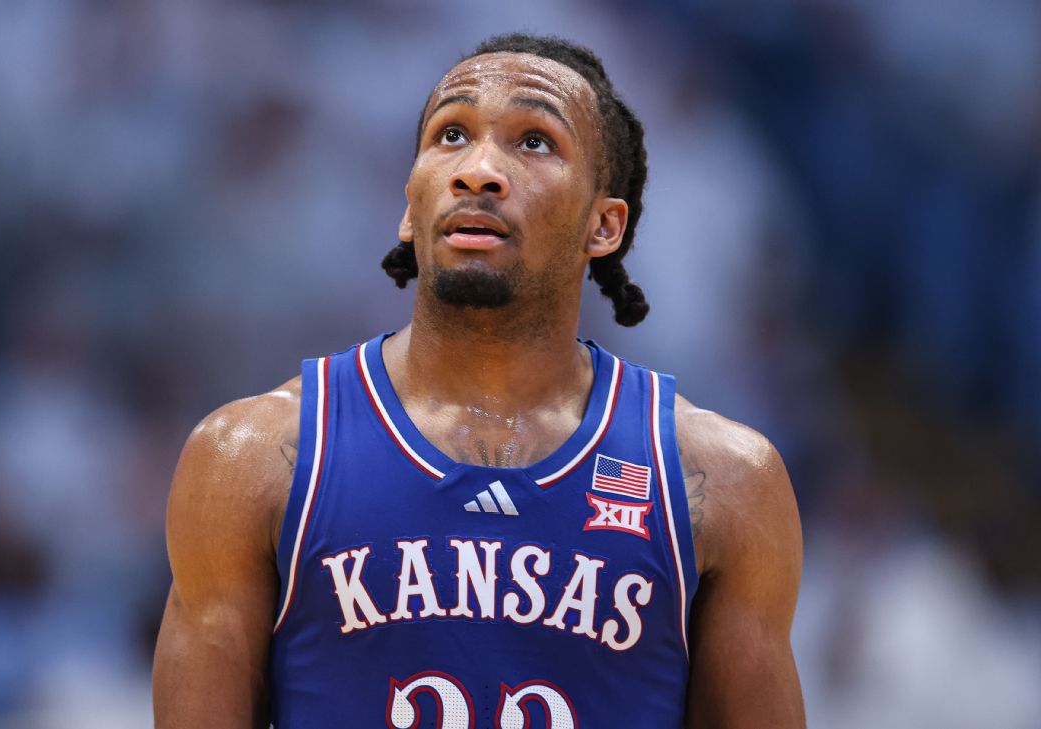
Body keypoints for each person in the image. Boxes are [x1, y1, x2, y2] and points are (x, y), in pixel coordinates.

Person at [153, 32, 804, 728]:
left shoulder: (724, 480)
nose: (479, 171)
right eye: (452, 134)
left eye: (535, 142)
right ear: (410, 207)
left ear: (605, 225)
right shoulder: (247, 458)